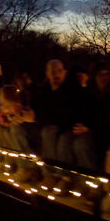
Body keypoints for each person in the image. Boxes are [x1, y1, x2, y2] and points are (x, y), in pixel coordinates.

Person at [34, 59, 97, 192]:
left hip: (71, 127)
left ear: (65, 73)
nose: (56, 74)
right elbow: (41, 111)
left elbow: (72, 114)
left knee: (64, 139)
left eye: (59, 71)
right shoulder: (44, 91)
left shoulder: (73, 89)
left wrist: (87, 126)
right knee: (48, 132)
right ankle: (50, 175)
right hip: (59, 126)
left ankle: (68, 178)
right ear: (47, 74)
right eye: (53, 72)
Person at [0, 85, 39, 182]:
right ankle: (9, 162)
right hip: (13, 127)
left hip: (28, 130)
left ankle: (26, 167)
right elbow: (4, 117)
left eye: (6, 104)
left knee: (15, 130)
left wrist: (19, 118)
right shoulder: (5, 108)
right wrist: (5, 120)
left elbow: (24, 118)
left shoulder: (22, 106)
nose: (4, 107)